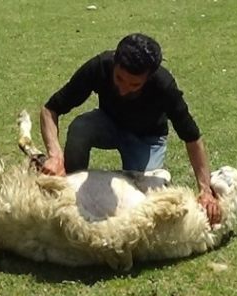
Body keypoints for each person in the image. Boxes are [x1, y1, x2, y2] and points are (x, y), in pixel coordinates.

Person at [39, 33, 220, 224]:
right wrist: (55, 155)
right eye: (119, 79)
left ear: (149, 77)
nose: (124, 89)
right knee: (80, 128)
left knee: (142, 198)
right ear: (115, 63)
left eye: (135, 84)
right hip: (109, 123)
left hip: (147, 139)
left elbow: (192, 137)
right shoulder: (100, 66)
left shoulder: (164, 85)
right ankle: (68, 187)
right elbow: (50, 109)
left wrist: (205, 190)